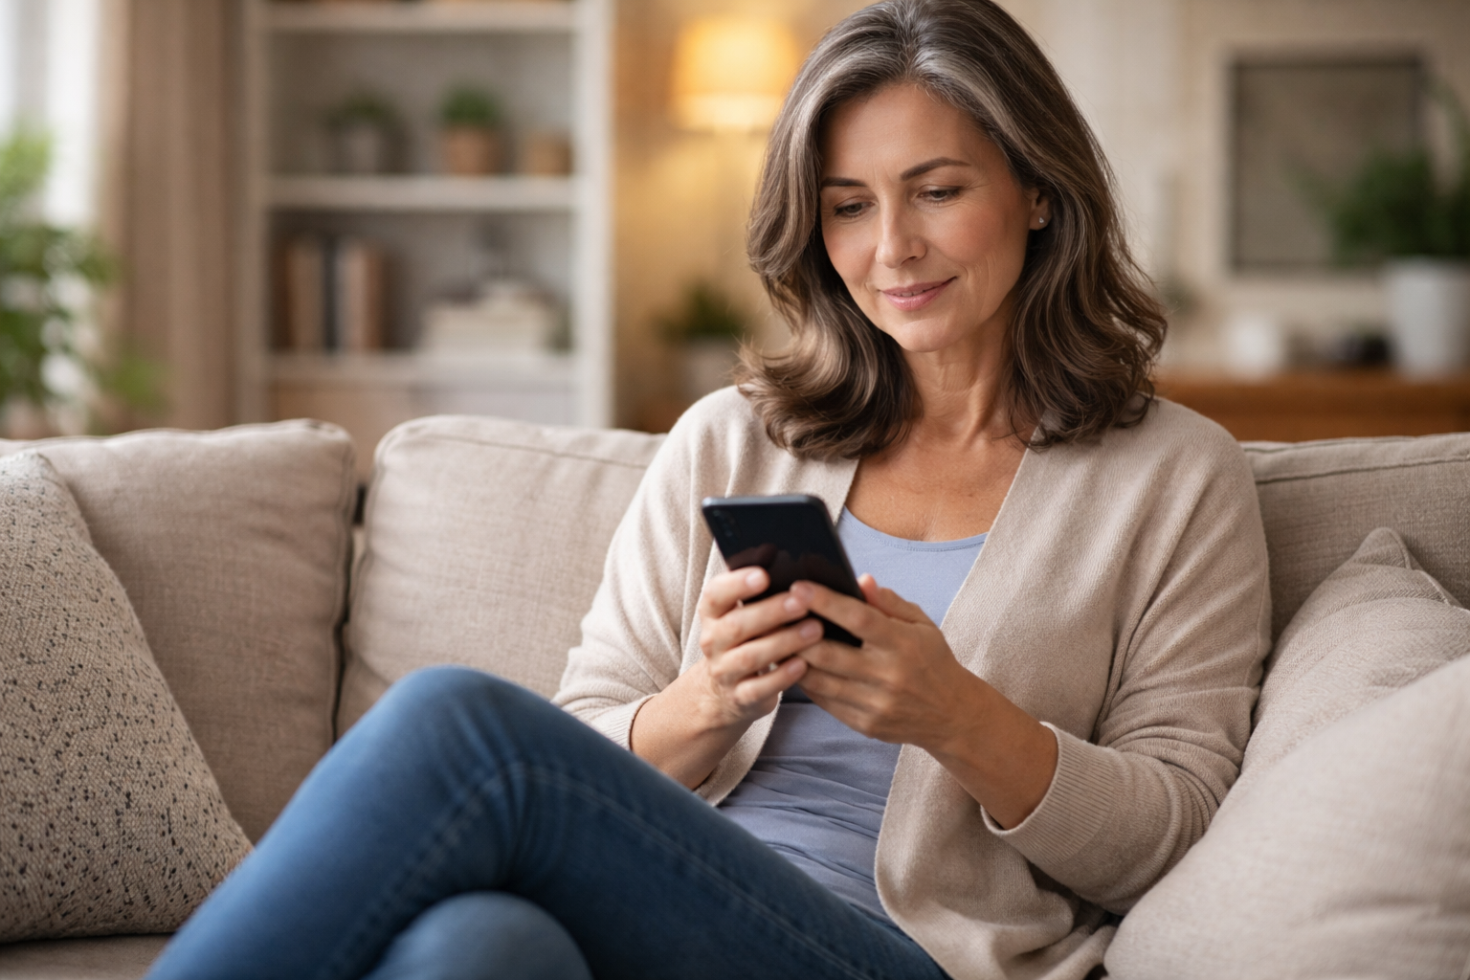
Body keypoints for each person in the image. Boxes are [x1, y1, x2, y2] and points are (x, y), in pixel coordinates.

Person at [146, 1, 1270, 979]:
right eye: (849, 206)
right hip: (668, 913)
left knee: (460, 725)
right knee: (480, 948)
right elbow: (594, 725)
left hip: (900, 953)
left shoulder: (1174, 479)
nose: (892, 247)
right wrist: (711, 696)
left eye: (936, 191)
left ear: (1037, 192)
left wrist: (957, 715)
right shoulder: (734, 440)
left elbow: (1171, 830)